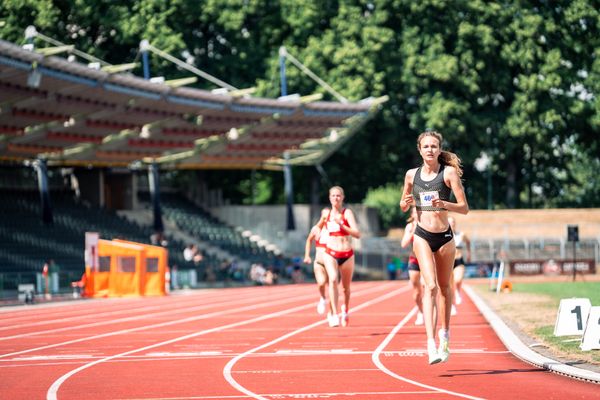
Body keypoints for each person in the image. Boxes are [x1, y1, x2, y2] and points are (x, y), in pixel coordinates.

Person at [399, 130, 469, 364]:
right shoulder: (411, 175)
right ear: (419, 149)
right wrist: (405, 202)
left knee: (444, 288)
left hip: (445, 237)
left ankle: (445, 334)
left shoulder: (448, 174)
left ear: (439, 149)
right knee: (429, 287)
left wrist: (444, 203)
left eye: (434, 146)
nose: (430, 149)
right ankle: (430, 344)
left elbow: (464, 208)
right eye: (426, 146)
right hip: (422, 235)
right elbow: (402, 204)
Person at [321, 186, 361, 327]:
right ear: (329, 198)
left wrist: (342, 225)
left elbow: (357, 234)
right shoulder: (326, 214)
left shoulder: (347, 213)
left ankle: (346, 309)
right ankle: (333, 313)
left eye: (338, 195)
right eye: (333, 196)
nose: (336, 198)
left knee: (345, 288)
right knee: (332, 280)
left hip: (347, 254)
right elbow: (318, 227)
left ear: (343, 197)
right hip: (330, 252)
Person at [401, 206, 424, 326]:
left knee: (426, 287)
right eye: (415, 212)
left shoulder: (427, 225)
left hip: (426, 261)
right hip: (414, 260)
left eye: (419, 211)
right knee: (416, 293)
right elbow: (403, 244)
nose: (418, 213)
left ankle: (428, 311)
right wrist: (412, 232)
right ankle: (420, 311)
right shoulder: (409, 227)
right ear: (412, 214)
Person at [303, 219, 329, 315]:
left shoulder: (334, 230)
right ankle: (322, 298)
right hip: (319, 262)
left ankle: (332, 312)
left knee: (332, 284)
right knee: (321, 283)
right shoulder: (316, 229)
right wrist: (307, 255)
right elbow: (309, 240)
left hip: (331, 263)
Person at [448, 216, 471, 314]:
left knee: (458, 280)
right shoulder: (443, 236)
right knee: (449, 286)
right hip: (448, 262)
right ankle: (452, 306)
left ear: (455, 223)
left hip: (459, 260)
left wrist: (469, 253)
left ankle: (458, 291)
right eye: (450, 222)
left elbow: (468, 242)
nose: (452, 224)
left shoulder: (461, 235)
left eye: (453, 222)